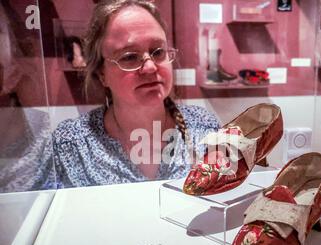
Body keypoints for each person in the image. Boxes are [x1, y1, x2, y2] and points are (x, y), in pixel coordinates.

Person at [43, 0, 220, 188]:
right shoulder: (71, 145)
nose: (150, 67)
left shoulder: (205, 127)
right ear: (102, 74)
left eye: (158, 52)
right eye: (129, 57)